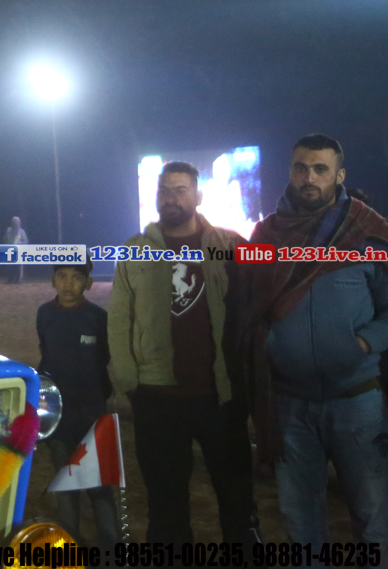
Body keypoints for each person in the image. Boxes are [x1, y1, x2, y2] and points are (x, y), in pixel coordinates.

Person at [234, 134, 388, 546]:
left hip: (356, 400)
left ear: (339, 175)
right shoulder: (265, 235)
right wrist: (270, 345)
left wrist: (362, 344)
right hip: (289, 405)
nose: (309, 177)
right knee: (301, 523)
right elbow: (249, 307)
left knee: (373, 517)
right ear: (290, 172)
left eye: (321, 169)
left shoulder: (367, 231)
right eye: (301, 168)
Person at [107, 161, 258, 545]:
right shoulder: (135, 250)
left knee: (238, 503)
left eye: (180, 190)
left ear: (198, 195)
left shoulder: (228, 245)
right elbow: (119, 318)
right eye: (164, 190)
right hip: (157, 399)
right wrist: (129, 381)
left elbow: (259, 306)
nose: (170, 198)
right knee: (166, 509)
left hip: (219, 398)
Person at [36, 259, 120, 546]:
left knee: (99, 484)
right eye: (62, 276)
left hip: (92, 412)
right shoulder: (44, 313)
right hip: (58, 413)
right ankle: (68, 543)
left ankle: (111, 548)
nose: (68, 283)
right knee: (65, 482)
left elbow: (104, 356)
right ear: (53, 281)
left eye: (76, 277)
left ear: (89, 283)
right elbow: (46, 351)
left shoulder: (98, 317)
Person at [4, 215, 29, 283]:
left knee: (18, 266)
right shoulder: (8, 230)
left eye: (17, 222)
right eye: (14, 222)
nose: (15, 223)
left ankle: (18, 280)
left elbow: (25, 241)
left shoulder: (21, 231)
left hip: (18, 251)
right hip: (10, 251)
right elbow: (5, 239)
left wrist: (21, 245)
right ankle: (10, 279)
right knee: (10, 266)